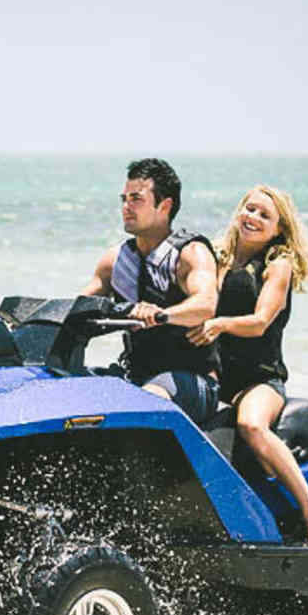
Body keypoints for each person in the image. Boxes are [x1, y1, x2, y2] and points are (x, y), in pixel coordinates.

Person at [186, 185, 308, 546]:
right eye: (249, 209)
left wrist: (219, 324)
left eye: (264, 215)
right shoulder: (216, 259)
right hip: (216, 378)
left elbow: (260, 322)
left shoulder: (277, 265)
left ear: (279, 229)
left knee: (251, 425)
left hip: (260, 381)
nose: (253, 217)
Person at [80, 158, 220, 426]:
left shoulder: (191, 253)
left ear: (164, 206)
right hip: (137, 375)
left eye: (136, 199)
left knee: (149, 397)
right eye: (124, 199)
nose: (126, 207)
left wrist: (160, 315)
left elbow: (206, 304)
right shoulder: (115, 260)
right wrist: (20, 316)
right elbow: (79, 306)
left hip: (193, 382)